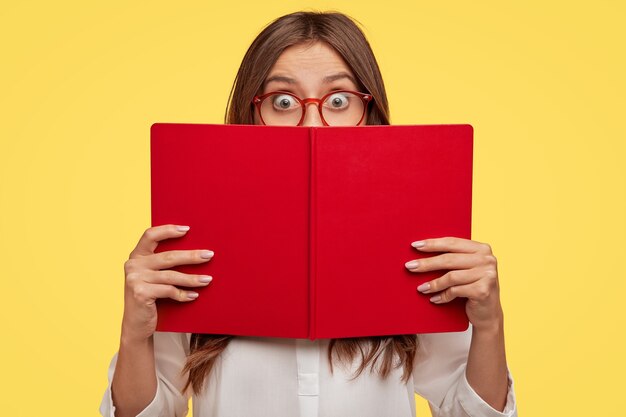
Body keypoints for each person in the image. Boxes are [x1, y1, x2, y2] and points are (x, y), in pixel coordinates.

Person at [99, 11, 518, 417]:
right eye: (283, 101)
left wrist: (489, 325)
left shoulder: (417, 240)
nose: (311, 124)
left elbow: (469, 413)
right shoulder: (193, 243)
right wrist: (135, 333)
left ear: (369, 113)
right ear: (251, 113)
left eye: (339, 99)